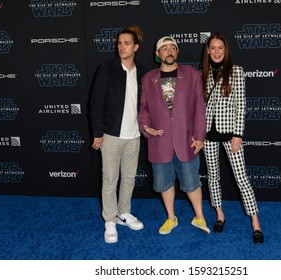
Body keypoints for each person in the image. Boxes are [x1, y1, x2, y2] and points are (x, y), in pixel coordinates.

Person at [138, 36, 210, 235]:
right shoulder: (147, 78)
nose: (169, 51)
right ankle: (171, 218)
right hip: (159, 140)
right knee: (163, 183)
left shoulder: (192, 74)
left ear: (177, 52)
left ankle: (200, 217)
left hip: (186, 140)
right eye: (164, 48)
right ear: (157, 54)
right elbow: (143, 109)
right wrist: (145, 126)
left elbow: (199, 109)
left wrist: (200, 136)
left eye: (172, 48)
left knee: (191, 182)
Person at [201, 33, 264, 243]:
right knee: (213, 176)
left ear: (225, 50)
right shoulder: (204, 73)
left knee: (241, 178)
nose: (217, 52)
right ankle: (219, 214)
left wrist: (238, 133)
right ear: (208, 51)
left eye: (221, 48)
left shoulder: (237, 71)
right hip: (208, 134)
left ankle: (255, 221)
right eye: (213, 48)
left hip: (231, 134)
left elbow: (241, 105)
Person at [90, 26, 147, 243]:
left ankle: (124, 212)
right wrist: (97, 132)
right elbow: (95, 103)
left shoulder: (143, 71)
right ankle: (110, 220)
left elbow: (146, 105)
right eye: (119, 43)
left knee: (129, 177)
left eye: (126, 43)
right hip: (111, 135)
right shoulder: (106, 69)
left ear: (135, 47)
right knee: (110, 179)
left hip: (134, 136)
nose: (121, 47)